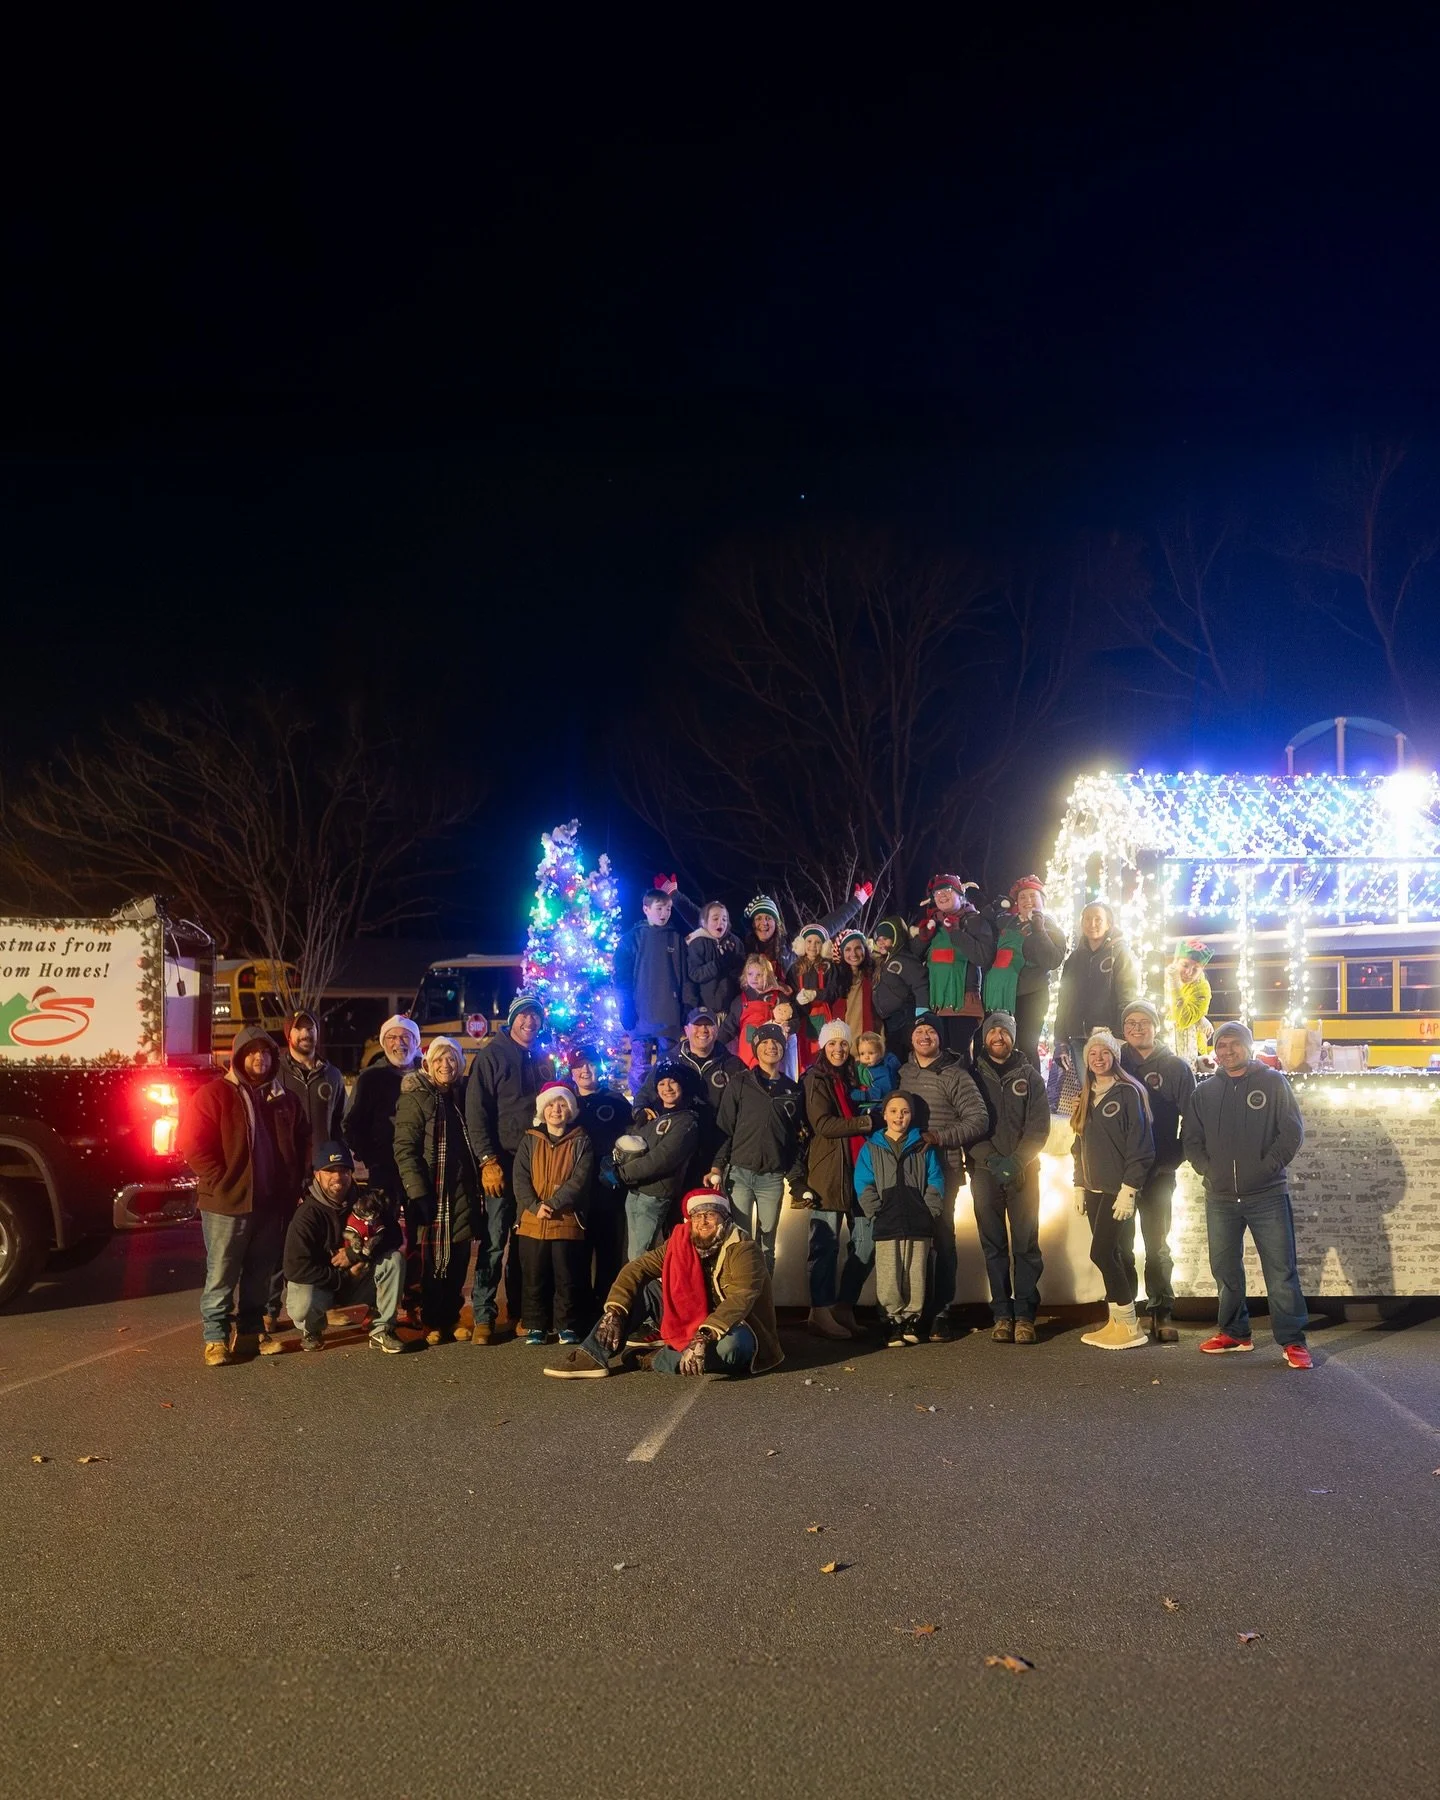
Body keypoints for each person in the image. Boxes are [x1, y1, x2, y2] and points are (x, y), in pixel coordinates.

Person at [543, 1189, 783, 1379]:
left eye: (711, 1215)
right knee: (644, 1290)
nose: (703, 1221)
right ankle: (592, 1354)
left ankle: (655, 1359)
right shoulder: (680, 1241)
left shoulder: (743, 1248)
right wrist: (614, 1311)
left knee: (733, 1348)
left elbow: (741, 1297)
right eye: (697, 1216)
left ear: (725, 1218)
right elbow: (637, 1268)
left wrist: (704, 1335)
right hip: (692, 1316)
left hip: (733, 1324)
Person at [178, 1023, 311, 1365]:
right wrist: (219, 1179)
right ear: (238, 1057)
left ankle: (251, 1334)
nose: (259, 1058)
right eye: (251, 1052)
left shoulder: (285, 1099)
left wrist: (296, 1186)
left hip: (271, 1203)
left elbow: (303, 1143)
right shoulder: (214, 1094)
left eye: (265, 1052)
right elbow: (191, 1143)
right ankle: (215, 1339)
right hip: (227, 1203)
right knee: (222, 1273)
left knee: (260, 1273)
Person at [1182, 1021, 1310, 1368]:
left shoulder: (1273, 1082)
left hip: (1267, 1194)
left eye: (1234, 1044)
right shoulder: (1204, 1092)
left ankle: (1292, 1340)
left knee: (1281, 1271)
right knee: (1225, 1269)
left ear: (1248, 1046)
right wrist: (1208, 1170)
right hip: (1220, 1197)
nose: (1227, 1051)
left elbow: (1292, 1132)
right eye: (1221, 1045)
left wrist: (1267, 1168)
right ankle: (1235, 1333)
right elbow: (1191, 1139)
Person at [464, 994, 555, 1342]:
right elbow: (476, 1111)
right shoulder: (492, 1056)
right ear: (512, 1018)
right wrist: (487, 1160)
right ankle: (483, 1314)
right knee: (494, 1240)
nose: (529, 1022)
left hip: (535, 1163)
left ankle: (521, 1310)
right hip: (501, 1162)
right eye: (523, 1016)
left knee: (525, 1241)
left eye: (535, 1017)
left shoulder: (544, 1059)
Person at [897, 1012, 988, 1340]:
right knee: (912, 1239)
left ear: (940, 1037)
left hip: (944, 1168)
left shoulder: (955, 1074)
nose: (924, 1036)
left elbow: (978, 1118)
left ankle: (941, 1311)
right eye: (919, 1031)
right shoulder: (903, 1073)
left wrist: (939, 1136)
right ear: (911, 1038)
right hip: (907, 1170)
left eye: (931, 1032)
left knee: (943, 1240)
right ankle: (913, 1309)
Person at [266, 1141, 405, 1355]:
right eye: (329, 1171)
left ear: (351, 1174)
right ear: (317, 1175)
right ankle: (312, 1330)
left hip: (359, 1279)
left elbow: (394, 1236)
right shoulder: (307, 1214)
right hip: (324, 1284)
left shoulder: (367, 1201)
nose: (337, 1177)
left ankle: (382, 1329)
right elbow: (295, 1268)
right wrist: (342, 1277)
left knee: (394, 1260)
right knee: (303, 1296)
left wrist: (355, 1253)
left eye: (343, 1170)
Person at [967, 1011, 1051, 1343]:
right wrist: (991, 1159)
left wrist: (1016, 1161)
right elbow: (966, 1123)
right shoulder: (971, 1076)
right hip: (984, 1172)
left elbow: (1039, 1126)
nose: (998, 1036)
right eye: (993, 1031)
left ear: (1013, 1037)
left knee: (1026, 1244)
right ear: (984, 1037)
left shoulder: (1030, 1076)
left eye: (1004, 1031)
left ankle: (1025, 1315)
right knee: (993, 1245)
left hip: (1024, 1171)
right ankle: (1002, 1315)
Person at [1071, 1029, 1154, 1350]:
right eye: (1092, 1053)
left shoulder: (1128, 1092)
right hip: (1094, 1190)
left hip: (1116, 1190)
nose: (1098, 1058)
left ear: (1114, 1057)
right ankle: (1116, 1321)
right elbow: (1078, 1146)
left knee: (1102, 1253)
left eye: (1104, 1052)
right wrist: (1079, 1184)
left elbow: (1141, 1145)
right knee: (1112, 1254)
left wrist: (1130, 1188)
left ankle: (1131, 1325)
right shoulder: (1086, 1095)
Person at [393, 1035, 480, 1344]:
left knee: (459, 1257)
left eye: (451, 1059)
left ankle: (451, 1316)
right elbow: (405, 1148)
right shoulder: (416, 1097)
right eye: (440, 1059)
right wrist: (417, 1191)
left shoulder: (462, 1096)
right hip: (432, 1190)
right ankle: (432, 1319)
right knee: (431, 1260)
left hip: (462, 1188)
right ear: (428, 1064)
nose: (446, 1064)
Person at [1120, 998, 1196, 1342]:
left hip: (1159, 1172)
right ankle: (1125, 1312)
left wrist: (1175, 1156)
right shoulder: (1114, 1062)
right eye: (1130, 1023)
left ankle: (1161, 1311)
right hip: (1120, 1172)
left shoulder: (1176, 1068)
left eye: (1143, 1022)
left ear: (1156, 1026)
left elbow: (1193, 1118)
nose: (1137, 1029)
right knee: (1120, 1246)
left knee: (1157, 1245)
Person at [706, 1021, 808, 1271]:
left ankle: (764, 1294)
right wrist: (717, 1166)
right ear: (756, 1048)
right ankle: (739, 1292)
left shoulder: (793, 1090)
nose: (771, 1046)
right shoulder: (740, 1083)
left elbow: (796, 1139)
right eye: (765, 1042)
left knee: (767, 1244)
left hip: (772, 1178)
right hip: (739, 1174)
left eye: (776, 1042)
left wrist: (796, 1178)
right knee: (739, 1240)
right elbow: (724, 1129)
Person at [797, 1018, 874, 1339]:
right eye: (832, 1043)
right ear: (823, 1046)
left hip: (859, 1169)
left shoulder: (852, 1078)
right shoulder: (815, 1079)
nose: (839, 1049)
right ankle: (820, 1310)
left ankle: (844, 1306)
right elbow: (824, 1125)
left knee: (867, 1242)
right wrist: (866, 1122)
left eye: (843, 1043)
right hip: (827, 1170)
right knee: (825, 1246)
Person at [854, 1094, 945, 1347]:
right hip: (887, 1220)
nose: (899, 1116)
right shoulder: (871, 1148)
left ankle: (912, 1319)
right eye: (893, 1111)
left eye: (904, 1111)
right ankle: (891, 1321)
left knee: (915, 1271)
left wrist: (930, 1209)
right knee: (889, 1273)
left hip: (918, 1220)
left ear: (911, 1116)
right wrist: (875, 1210)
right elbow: (863, 1181)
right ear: (884, 1114)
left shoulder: (922, 1146)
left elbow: (935, 1178)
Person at [513, 1080, 596, 1347]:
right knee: (533, 1275)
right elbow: (520, 1178)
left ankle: (567, 1325)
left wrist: (555, 1202)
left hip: (566, 1219)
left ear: (570, 1110)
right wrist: (534, 1205)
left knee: (566, 1276)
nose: (556, 1110)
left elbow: (579, 1180)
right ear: (542, 1109)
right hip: (532, 1220)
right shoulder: (529, 1140)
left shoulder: (581, 1141)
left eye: (562, 1104)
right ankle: (535, 1325)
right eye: (551, 1105)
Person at [634, 1007, 745, 1181]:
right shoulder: (669, 1060)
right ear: (686, 1030)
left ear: (716, 1030)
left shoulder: (733, 1065)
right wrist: (640, 1111)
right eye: (697, 1025)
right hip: (677, 1149)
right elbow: (645, 1092)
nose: (703, 1030)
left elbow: (745, 1106)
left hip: (716, 1149)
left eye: (708, 1025)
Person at [612, 1059, 702, 1259]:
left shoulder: (686, 1121)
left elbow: (661, 1159)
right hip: (635, 1190)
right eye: (661, 1083)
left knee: (641, 1255)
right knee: (633, 1253)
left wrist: (622, 1173)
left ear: (682, 1086)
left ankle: (647, 1282)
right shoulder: (652, 1114)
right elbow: (635, 1143)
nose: (667, 1088)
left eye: (672, 1082)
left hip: (654, 1194)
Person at [567, 1046, 633, 1305]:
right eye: (579, 1065)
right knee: (578, 1254)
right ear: (572, 1071)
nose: (585, 1070)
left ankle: (607, 1307)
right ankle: (581, 1307)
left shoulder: (615, 1100)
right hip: (576, 1191)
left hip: (608, 1189)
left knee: (609, 1252)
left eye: (591, 1064)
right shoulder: (565, 1102)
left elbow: (632, 1135)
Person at [982, 878, 1066, 1072]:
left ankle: (1031, 1085)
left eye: (1033, 896)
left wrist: (1038, 928)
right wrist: (993, 906)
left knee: (1026, 1046)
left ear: (1043, 900)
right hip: (1000, 994)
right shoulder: (1008, 922)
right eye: (1022, 897)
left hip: (1031, 994)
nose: (1027, 900)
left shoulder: (1051, 928)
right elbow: (986, 919)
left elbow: (1051, 960)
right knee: (1000, 1045)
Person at [911, 874, 995, 1061]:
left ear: (960, 894)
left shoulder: (974, 921)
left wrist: (957, 933)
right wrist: (923, 937)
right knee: (938, 1057)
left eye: (947, 890)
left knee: (958, 1057)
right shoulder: (933, 923)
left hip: (963, 1003)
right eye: (937, 892)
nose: (941, 895)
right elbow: (913, 959)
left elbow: (983, 957)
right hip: (936, 1004)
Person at [613, 887, 687, 1094]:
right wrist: (625, 1007)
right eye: (659, 908)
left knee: (669, 1067)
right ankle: (641, 1103)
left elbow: (684, 977)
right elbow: (621, 978)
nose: (664, 913)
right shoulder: (632, 939)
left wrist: (686, 1005)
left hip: (668, 1015)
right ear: (646, 909)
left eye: (668, 909)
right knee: (640, 1067)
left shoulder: (676, 938)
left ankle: (667, 1103)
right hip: (640, 1016)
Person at [1054, 903, 1139, 1078]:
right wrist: (1060, 1040)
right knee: (1087, 1089)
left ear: (1109, 924)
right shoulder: (1074, 959)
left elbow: (1127, 997)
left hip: (1109, 1037)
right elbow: (1064, 1001)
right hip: (1078, 1038)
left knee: (1109, 1086)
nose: (1092, 924)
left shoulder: (1120, 954)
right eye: (1087, 919)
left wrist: (1121, 1034)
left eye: (1098, 919)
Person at [276, 1008, 346, 1149]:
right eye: (298, 1029)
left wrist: (339, 1154)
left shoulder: (333, 1075)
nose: (305, 1034)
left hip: (323, 1160)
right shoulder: (275, 1075)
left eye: (310, 1028)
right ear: (288, 1034)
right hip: (287, 1161)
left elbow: (342, 1122)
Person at [870, 915, 930, 1060]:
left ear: (896, 938)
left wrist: (922, 1012)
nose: (881, 942)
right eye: (878, 939)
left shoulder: (901, 960)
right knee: (894, 1056)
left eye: (886, 938)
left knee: (902, 1056)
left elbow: (920, 982)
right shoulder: (884, 961)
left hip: (903, 1018)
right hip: (890, 1021)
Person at [724, 954, 797, 1069]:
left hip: (772, 1056)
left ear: (768, 975)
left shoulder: (779, 998)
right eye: (750, 974)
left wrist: (789, 1026)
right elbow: (728, 1028)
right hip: (747, 1059)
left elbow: (795, 1021)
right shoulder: (740, 1001)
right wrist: (716, 1044)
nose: (754, 978)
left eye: (759, 975)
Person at [684, 900, 746, 1018]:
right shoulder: (697, 943)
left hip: (732, 1010)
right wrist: (717, 964)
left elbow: (742, 974)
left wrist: (734, 967)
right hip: (706, 1011)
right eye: (715, 919)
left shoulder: (735, 942)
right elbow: (695, 974)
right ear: (704, 922)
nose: (720, 922)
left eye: (724, 919)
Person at [1166, 938, 1215, 1064]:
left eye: (1195, 969)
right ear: (1176, 961)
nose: (1188, 972)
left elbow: (1183, 1020)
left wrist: (1174, 986)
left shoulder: (1202, 989)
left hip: (1191, 1055)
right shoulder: (1164, 979)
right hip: (1164, 1049)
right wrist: (1199, 1018)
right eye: (1185, 965)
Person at [742, 893, 795, 978]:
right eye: (758, 918)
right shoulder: (744, 950)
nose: (764, 923)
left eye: (768, 918)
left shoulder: (790, 948)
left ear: (776, 923)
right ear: (753, 924)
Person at [851, 1029, 901, 1116]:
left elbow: (882, 1091)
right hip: (868, 1103)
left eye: (871, 1053)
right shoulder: (862, 1067)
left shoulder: (882, 1071)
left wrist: (862, 1095)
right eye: (862, 1053)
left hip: (879, 1105)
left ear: (880, 1054)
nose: (866, 1057)